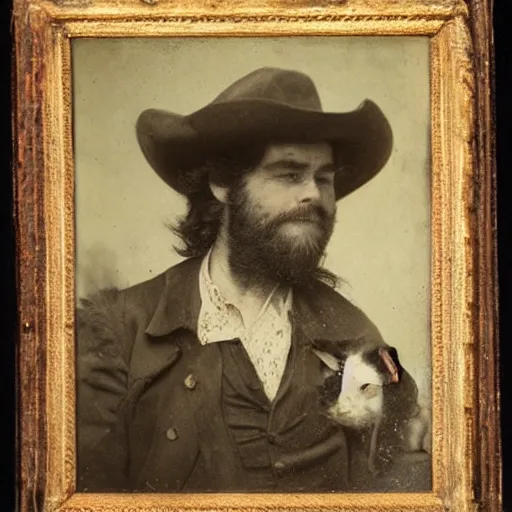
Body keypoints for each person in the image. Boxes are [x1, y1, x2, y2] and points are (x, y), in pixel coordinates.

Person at [76, 67, 430, 493]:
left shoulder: (355, 336)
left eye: (324, 178)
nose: (314, 195)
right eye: (289, 173)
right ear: (223, 184)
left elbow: (393, 485)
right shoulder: (117, 331)